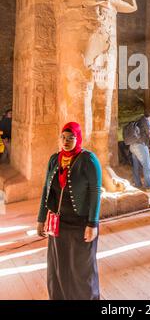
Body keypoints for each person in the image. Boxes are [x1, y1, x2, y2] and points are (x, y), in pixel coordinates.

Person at [37, 122, 102, 300]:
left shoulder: (88, 160)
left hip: (81, 223)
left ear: (78, 138)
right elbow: (46, 189)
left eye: (71, 138)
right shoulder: (54, 159)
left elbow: (95, 192)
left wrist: (92, 223)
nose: (66, 141)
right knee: (59, 267)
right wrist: (41, 218)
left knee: (82, 269)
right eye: (63, 138)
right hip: (58, 224)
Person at [129, 113, 150, 191]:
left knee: (136, 166)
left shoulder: (138, 121)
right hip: (140, 146)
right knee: (147, 166)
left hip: (132, 146)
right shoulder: (146, 121)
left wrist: (148, 144)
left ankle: (138, 184)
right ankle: (148, 185)